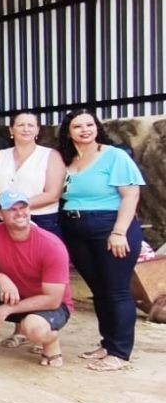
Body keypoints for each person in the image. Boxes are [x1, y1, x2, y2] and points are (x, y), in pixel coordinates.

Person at [58, 109, 145, 371]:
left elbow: (130, 196)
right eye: (77, 126)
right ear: (68, 131)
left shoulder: (114, 156)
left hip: (109, 227)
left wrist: (119, 232)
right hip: (75, 228)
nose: (85, 130)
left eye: (89, 124)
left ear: (97, 127)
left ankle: (119, 351)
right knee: (100, 291)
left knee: (117, 290)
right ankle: (107, 343)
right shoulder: (67, 161)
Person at [0, 191, 73, 369]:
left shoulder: (51, 245)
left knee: (34, 328)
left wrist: (5, 309)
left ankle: (51, 341)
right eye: (12, 209)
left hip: (48, 305)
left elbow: (53, 299)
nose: (20, 213)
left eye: (23, 206)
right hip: (14, 294)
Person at [0, 112, 65, 238]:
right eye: (20, 125)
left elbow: (53, 194)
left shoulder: (50, 155)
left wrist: (14, 208)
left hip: (40, 220)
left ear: (37, 130)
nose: (26, 129)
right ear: (11, 130)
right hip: (1, 219)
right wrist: (0, 208)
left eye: (30, 125)